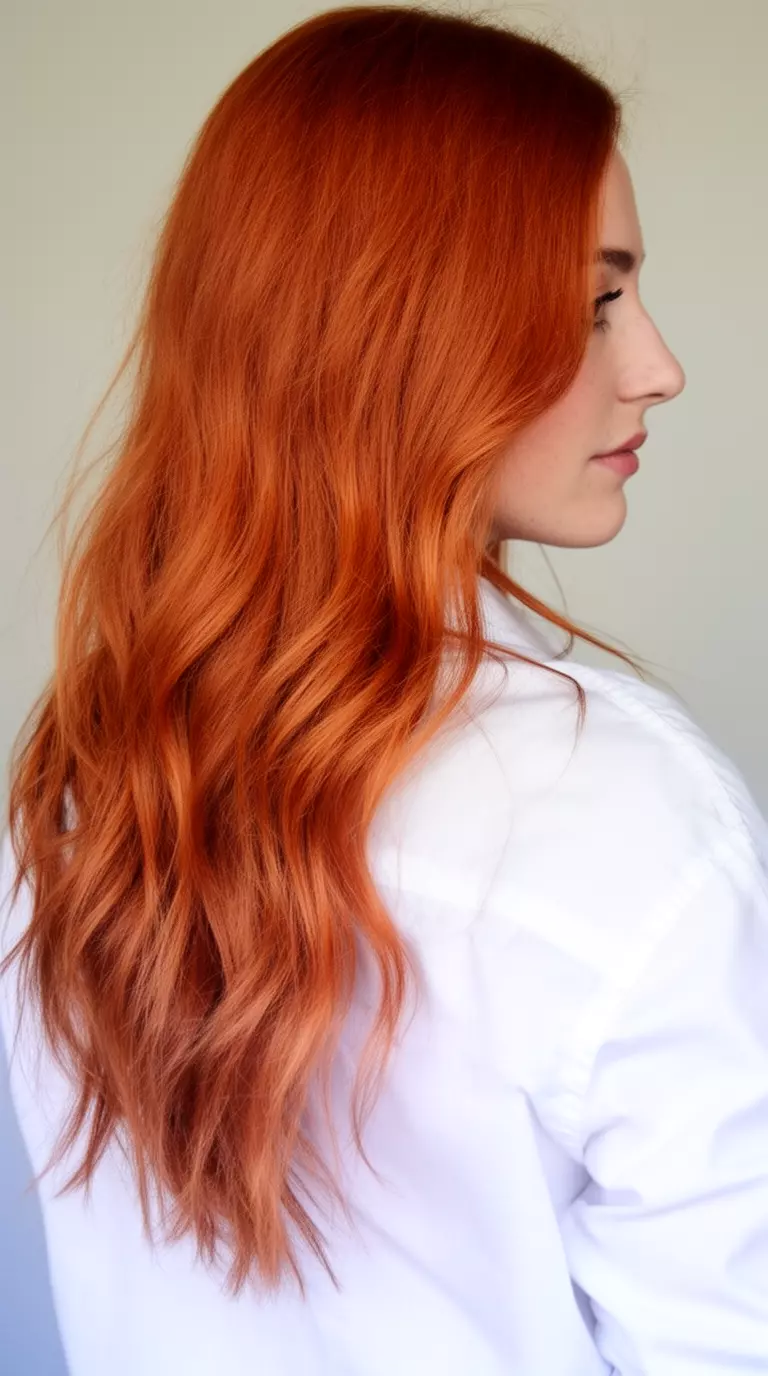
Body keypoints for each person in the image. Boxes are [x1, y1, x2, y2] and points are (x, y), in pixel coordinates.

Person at [1, 6, 766, 1374]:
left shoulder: (82, 776)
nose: (658, 365)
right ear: (398, 329)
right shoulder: (625, 811)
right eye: (596, 302)